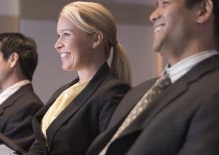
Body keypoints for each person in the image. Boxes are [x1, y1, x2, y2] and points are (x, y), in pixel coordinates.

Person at [87, 0, 219, 154]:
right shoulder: (137, 93)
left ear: (203, 11)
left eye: (165, 3)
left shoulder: (213, 91)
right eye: (156, 6)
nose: (153, 16)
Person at [27, 1, 131, 155]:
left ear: (96, 39)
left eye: (66, 34)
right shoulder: (64, 92)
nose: (57, 44)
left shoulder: (113, 93)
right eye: (58, 35)